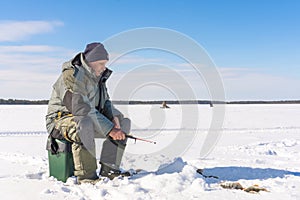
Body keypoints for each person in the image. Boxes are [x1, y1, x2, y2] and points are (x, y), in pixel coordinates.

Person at [46, 42, 131, 184]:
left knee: (124, 123)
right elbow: (80, 108)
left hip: (89, 118)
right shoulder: (71, 75)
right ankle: (87, 177)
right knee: (84, 124)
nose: (104, 67)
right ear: (90, 62)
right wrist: (109, 129)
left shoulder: (99, 77)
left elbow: (106, 103)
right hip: (60, 120)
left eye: (105, 63)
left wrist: (115, 118)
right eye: (101, 63)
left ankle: (109, 169)